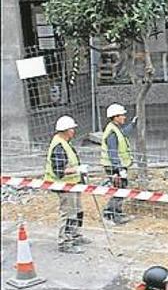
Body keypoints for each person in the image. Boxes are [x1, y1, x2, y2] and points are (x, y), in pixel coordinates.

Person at [45, 115, 90, 253]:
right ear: (65, 130)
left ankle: (75, 235)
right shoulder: (59, 147)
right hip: (63, 186)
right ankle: (65, 242)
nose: (73, 131)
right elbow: (59, 171)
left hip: (72, 184)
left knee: (77, 211)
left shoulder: (64, 142)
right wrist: (77, 170)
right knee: (68, 213)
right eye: (72, 128)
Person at [100, 103, 137, 224]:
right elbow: (113, 152)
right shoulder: (112, 133)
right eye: (122, 115)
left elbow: (123, 134)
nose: (124, 117)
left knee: (121, 189)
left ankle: (117, 212)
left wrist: (132, 124)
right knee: (119, 190)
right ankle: (110, 214)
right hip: (114, 167)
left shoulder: (115, 129)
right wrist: (118, 169)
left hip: (117, 166)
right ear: (115, 117)